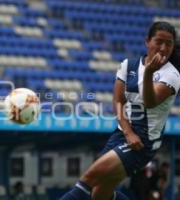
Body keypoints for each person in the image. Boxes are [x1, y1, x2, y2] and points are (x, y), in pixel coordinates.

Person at [59, 21, 179, 200]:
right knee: (99, 193)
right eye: (158, 41)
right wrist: (128, 131)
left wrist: (147, 73)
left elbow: (150, 101)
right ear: (147, 41)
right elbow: (118, 101)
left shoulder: (173, 75)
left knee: (87, 180)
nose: (163, 48)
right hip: (122, 134)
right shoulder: (128, 65)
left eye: (168, 43)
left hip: (143, 142)